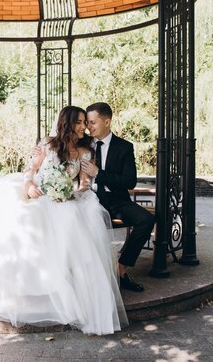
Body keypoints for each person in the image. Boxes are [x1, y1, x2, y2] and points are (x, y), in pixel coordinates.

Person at [0, 106, 127, 335]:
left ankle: (59, 287)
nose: (83, 127)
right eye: (79, 122)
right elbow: (30, 170)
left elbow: (84, 184)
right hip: (37, 193)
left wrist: (68, 192)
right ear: (68, 124)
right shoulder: (47, 144)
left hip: (64, 198)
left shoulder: (85, 150)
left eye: (84, 122)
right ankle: (18, 290)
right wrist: (29, 185)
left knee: (68, 220)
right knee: (21, 219)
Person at [80, 102, 156, 292]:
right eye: (87, 123)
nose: (88, 127)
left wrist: (99, 173)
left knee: (146, 219)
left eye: (92, 122)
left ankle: (121, 270)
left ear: (107, 122)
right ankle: (84, 277)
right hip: (87, 200)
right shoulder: (82, 145)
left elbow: (129, 181)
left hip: (117, 201)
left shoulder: (124, 147)